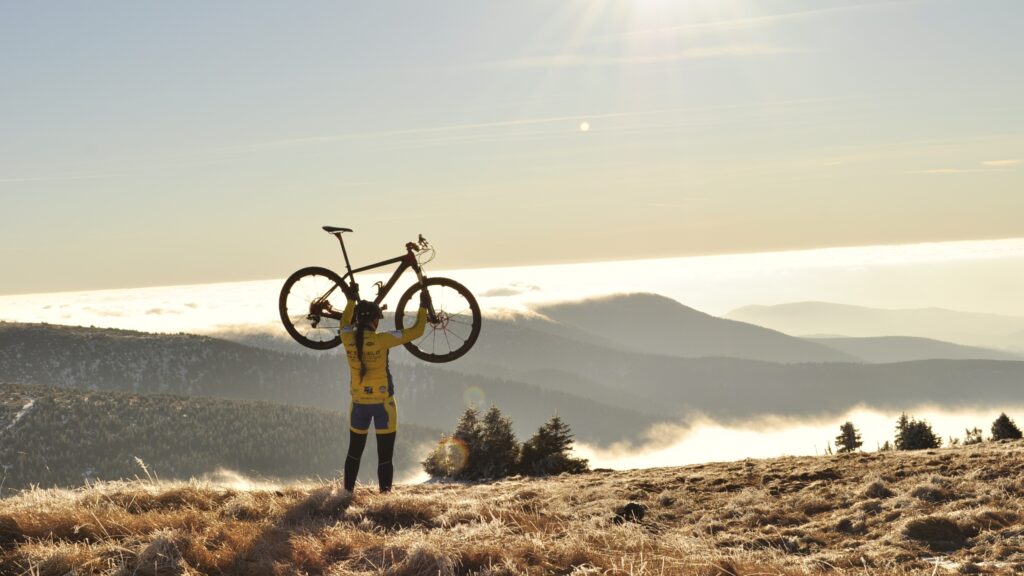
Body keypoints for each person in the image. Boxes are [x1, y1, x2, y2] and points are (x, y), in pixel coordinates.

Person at [335, 289, 429, 494]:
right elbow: (417, 331)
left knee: (354, 453)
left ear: (357, 319)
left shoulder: (345, 336)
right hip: (384, 406)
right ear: (376, 322)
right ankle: (385, 498)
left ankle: (346, 495)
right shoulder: (382, 340)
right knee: (385, 457)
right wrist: (423, 307)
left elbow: (344, 321)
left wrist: (350, 300)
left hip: (358, 405)